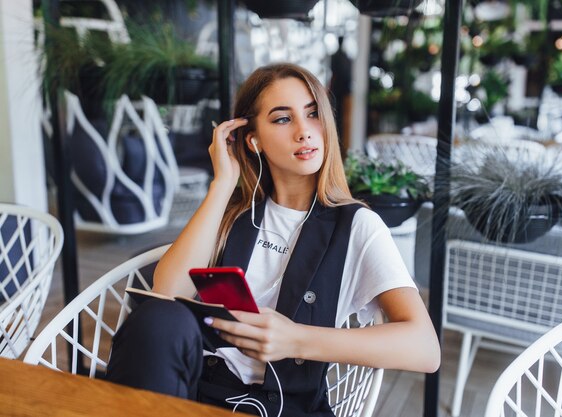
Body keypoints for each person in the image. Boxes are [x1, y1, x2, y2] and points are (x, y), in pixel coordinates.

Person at [106, 63, 440, 417]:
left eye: (312, 114)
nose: (304, 132)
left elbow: (424, 348)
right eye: (283, 119)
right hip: (196, 390)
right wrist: (222, 184)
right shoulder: (234, 213)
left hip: (281, 406)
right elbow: (167, 292)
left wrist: (295, 339)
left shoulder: (357, 226)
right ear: (254, 140)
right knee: (159, 320)